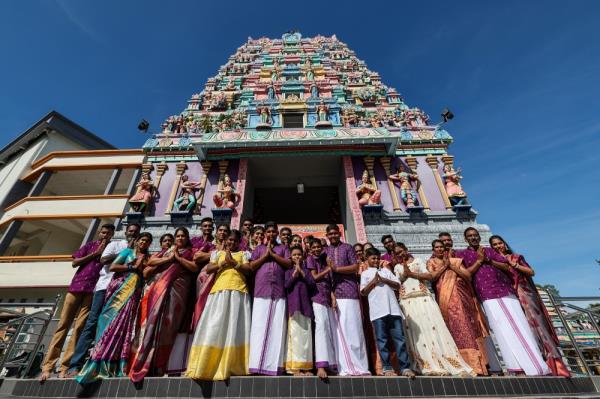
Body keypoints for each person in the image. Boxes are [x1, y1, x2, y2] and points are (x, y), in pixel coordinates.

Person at [457, 228, 550, 376]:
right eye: (470, 236)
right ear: (465, 239)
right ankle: (516, 367)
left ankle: (537, 364)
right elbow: (466, 274)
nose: (473, 238)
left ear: (480, 237)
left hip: (505, 291)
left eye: (475, 235)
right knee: (501, 331)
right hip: (486, 294)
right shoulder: (462, 254)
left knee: (521, 326)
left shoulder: (490, 250)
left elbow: (506, 266)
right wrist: (479, 261)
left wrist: (489, 260)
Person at [39, 224, 115, 381]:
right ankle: (48, 366)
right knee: (63, 326)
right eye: (103, 232)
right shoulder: (90, 246)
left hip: (92, 291)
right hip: (76, 287)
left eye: (108, 234)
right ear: (99, 233)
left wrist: (103, 254)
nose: (104, 235)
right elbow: (75, 262)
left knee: (79, 328)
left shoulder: (111, 250)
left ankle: (65, 367)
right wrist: (95, 254)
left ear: (112, 235)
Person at [76, 232, 153, 384]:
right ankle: (98, 362)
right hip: (119, 290)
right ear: (137, 241)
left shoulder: (148, 258)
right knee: (110, 325)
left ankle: (118, 365)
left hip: (134, 292)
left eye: (147, 241)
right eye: (142, 240)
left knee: (124, 327)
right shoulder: (127, 252)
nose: (144, 243)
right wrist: (132, 266)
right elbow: (113, 266)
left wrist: (142, 266)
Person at [65, 224, 140, 378]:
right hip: (104, 287)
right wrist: (124, 252)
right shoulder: (115, 245)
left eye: (136, 232)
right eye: (130, 231)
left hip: (122, 291)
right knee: (92, 323)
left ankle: (104, 361)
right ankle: (75, 364)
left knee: (114, 327)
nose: (133, 234)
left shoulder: (139, 250)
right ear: (126, 233)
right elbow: (104, 259)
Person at [489, 235, 570, 377]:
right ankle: (536, 362)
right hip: (510, 297)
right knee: (524, 329)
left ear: (505, 244)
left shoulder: (516, 257)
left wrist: (514, 264)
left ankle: (554, 364)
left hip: (525, 294)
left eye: (499, 243)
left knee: (539, 327)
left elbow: (531, 272)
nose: (497, 246)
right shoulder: (494, 262)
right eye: (494, 245)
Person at [394, 242, 475, 376]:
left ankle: (444, 362)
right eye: (397, 253)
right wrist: (405, 274)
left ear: (406, 249)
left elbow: (430, 276)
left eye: (402, 251)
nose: (400, 254)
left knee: (433, 328)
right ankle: (424, 364)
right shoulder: (397, 267)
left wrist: (412, 274)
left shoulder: (419, 261)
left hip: (423, 298)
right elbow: (397, 282)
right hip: (407, 301)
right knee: (415, 333)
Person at [130, 227, 198, 382]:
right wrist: (169, 259)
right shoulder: (167, 251)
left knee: (170, 325)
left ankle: (163, 363)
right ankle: (149, 362)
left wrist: (179, 259)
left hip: (179, 291)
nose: (180, 238)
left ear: (187, 238)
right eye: (178, 236)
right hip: (160, 289)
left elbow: (194, 267)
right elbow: (152, 261)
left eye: (183, 236)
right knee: (154, 324)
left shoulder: (190, 251)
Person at [186, 230, 252, 380]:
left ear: (239, 242)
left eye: (235, 241)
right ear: (225, 240)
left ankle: (233, 364)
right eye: (229, 240)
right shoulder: (217, 254)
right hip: (218, 292)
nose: (232, 243)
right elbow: (209, 269)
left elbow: (248, 270)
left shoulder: (244, 254)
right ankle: (206, 365)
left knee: (235, 327)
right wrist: (223, 263)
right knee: (215, 326)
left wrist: (234, 263)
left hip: (238, 291)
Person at [427, 239, 489, 375]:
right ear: (433, 250)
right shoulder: (431, 262)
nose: (439, 250)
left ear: (445, 249)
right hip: (444, 299)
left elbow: (467, 275)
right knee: (452, 328)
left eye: (441, 247)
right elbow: (432, 277)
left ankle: (477, 365)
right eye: (436, 247)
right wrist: (444, 266)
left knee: (467, 326)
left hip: (461, 297)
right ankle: (459, 364)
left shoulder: (456, 261)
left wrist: (452, 266)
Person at [360, 248, 413, 377]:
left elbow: (397, 285)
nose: (376, 260)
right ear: (367, 259)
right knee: (382, 340)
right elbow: (363, 292)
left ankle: (405, 368)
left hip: (393, 310)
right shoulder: (365, 274)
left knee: (399, 339)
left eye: (378, 258)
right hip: (378, 312)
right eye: (373, 258)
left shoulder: (386, 271)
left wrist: (384, 280)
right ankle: (387, 368)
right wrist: (373, 282)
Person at [324, 224, 369, 376]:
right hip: (335, 294)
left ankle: (360, 367)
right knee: (338, 333)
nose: (333, 236)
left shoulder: (348, 248)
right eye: (330, 234)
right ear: (327, 236)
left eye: (335, 233)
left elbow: (355, 267)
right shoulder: (326, 251)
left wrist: (336, 269)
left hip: (350, 293)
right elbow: (326, 275)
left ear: (339, 234)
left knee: (354, 330)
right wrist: (331, 293)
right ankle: (344, 368)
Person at [248, 222, 292, 375]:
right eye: (269, 231)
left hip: (279, 291)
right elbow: (251, 266)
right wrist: (265, 256)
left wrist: (273, 255)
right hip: (261, 290)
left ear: (277, 234)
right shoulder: (259, 249)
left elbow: (289, 263)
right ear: (265, 233)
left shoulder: (283, 248)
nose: (272, 234)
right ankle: (255, 364)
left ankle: (273, 366)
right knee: (258, 328)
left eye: (274, 232)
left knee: (277, 327)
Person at [307, 239, 338, 379]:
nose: (316, 249)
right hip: (317, 297)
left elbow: (329, 282)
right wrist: (328, 269)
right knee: (321, 328)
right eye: (313, 247)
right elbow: (314, 278)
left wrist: (333, 296)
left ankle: (331, 364)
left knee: (329, 330)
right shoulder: (310, 259)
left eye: (318, 247)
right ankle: (320, 366)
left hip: (326, 297)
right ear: (310, 248)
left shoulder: (325, 261)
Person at [284, 246, 316, 375]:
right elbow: (286, 285)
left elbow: (312, 284)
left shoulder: (307, 271)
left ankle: (306, 367)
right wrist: (294, 274)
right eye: (295, 255)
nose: (297, 257)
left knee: (306, 337)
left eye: (299, 255)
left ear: (303, 257)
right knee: (296, 337)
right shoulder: (287, 272)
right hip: (294, 307)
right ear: (291, 257)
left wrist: (301, 273)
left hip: (306, 307)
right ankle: (295, 368)